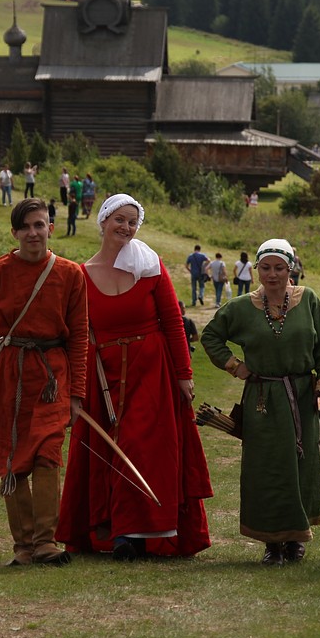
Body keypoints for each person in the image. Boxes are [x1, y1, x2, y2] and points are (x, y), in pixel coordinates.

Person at [57, 194, 212, 560]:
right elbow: (76, 332)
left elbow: (174, 322)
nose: (125, 228)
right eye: (119, 220)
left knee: (143, 448)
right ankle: (113, 529)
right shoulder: (81, 274)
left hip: (151, 370)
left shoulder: (150, 266)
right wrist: (76, 386)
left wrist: (183, 373)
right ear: (104, 222)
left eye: (132, 222)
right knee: (108, 451)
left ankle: (136, 534)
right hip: (103, 374)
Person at [200, 238, 320, 566]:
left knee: (301, 467)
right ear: (256, 269)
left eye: (279, 268)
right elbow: (211, 336)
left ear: (291, 269)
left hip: (303, 397)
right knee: (266, 469)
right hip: (263, 400)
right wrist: (236, 366)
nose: (272, 274)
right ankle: (271, 544)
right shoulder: (243, 306)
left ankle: (295, 539)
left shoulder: (310, 301)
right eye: (265, 268)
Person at [0, 199, 89, 566]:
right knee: (13, 460)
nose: (33, 233)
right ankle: (22, 547)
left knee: (47, 453)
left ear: (50, 228)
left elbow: (80, 338)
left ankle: (45, 543)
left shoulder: (71, 274)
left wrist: (77, 394)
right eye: (25, 226)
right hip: (10, 372)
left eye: (39, 225)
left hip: (52, 376)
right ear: (14, 233)